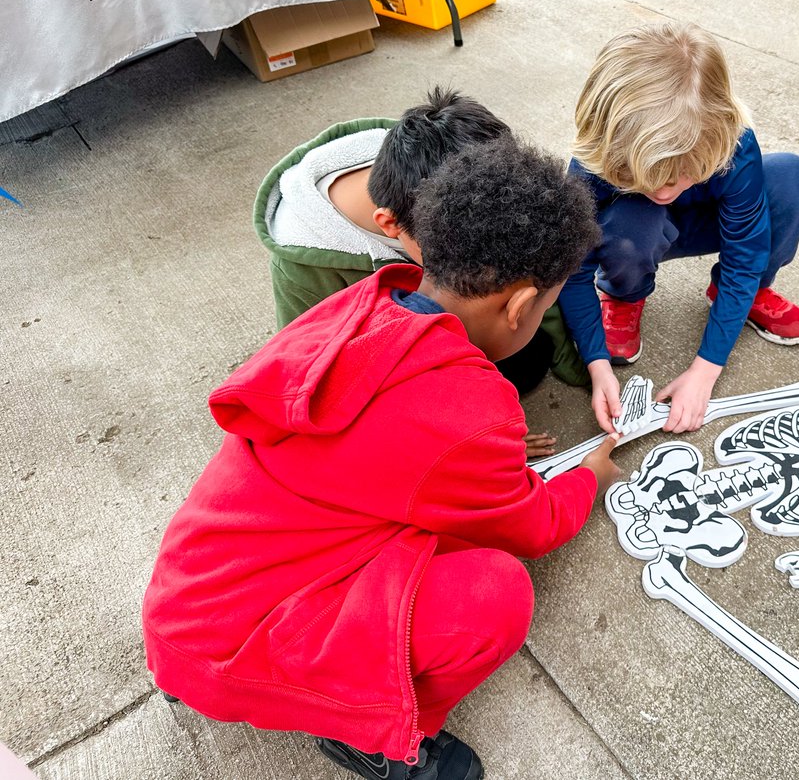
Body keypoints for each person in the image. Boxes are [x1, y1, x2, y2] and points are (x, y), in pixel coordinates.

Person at [143, 135, 621, 780]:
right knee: (496, 595)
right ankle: (374, 735)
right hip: (235, 651)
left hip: (189, 606)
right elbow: (531, 527)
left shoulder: (360, 306)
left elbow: (395, 456)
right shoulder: (467, 408)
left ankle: (225, 677)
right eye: (548, 301)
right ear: (516, 304)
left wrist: (489, 463)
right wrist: (586, 479)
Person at [559, 22, 799, 435]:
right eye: (645, 176)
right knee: (634, 222)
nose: (664, 190)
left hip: (709, 222)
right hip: (637, 232)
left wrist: (706, 370)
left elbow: (744, 255)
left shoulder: (734, 143)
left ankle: (748, 296)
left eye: (685, 173)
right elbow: (573, 267)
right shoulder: (594, 162)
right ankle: (623, 294)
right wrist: (595, 362)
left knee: (793, 178)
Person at [254, 88, 587, 399]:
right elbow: (310, 373)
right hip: (393, 368)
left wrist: (580, 362)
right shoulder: (301, 267)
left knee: (524, 364)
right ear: (390, 224)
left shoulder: (448, 164)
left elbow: (530, 270)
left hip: (458, 314)